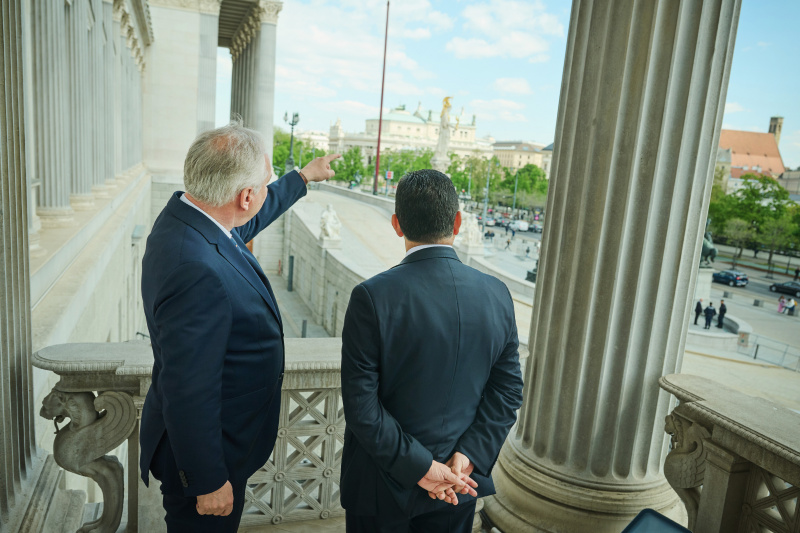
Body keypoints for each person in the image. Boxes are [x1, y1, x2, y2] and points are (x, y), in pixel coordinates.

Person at [139, 120, 340, 532]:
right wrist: (208, 480)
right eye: (262, 186)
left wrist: (302, 178)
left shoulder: (191, 218)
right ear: (245, 196)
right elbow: (188, 387)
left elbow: (246, 221)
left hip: (214, 445)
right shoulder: (196, 269)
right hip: (206, 462)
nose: (263, 194)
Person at [340, 169, 524, 532]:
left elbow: (362, 407)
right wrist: (468, 456)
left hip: (382, 487)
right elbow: (508, 391)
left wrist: (421, 467)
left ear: (397, 224)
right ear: (457, 222)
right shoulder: (497, 293)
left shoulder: (372, 296)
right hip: (459, 484)